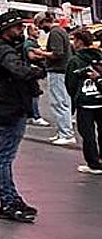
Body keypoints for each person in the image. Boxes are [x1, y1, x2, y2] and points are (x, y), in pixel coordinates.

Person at [0, 10, 46, 223]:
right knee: (5, 157)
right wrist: (38, 70)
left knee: (6, 156)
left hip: (5, 106)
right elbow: (18, 70)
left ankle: (11, 197)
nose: (21, 30)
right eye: (18, 27)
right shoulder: (3, 51)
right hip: (8, 107)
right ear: (6, 30)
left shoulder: (0, 48)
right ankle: (8, 202)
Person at [66, 28, 102, 175]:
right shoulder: (100, 57)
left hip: (85, 102)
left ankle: (93, 163)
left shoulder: (75, 60)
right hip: (100, 100)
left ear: (79, 41)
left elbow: (70, 83)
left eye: (74, 40)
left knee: (87, 134)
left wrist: (75, 97)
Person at [36, 12, 75, 145]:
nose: (41, 29)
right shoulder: (61, 31)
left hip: (57, 71)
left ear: (44, 22)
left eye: (40, 25)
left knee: (59, 102)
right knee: (64, 101)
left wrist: (42, 53)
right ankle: (63, 131)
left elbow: (57, 54)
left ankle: (66, 133)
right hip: (63, 71)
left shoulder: (55, 33)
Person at [22, 23, 49, 125]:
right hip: (31, 72)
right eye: (35, 30)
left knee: (32, 94)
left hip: (32, 72)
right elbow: (31, 56)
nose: (38, 31)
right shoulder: (29, 43)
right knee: (34, 94)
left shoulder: (34, 43)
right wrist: (44, 55)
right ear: (30, 32)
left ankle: (30, 115)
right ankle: (35, 116)